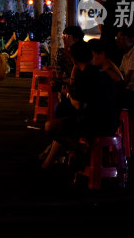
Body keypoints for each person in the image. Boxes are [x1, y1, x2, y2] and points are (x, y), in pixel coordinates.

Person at [41, 40, 119, 170]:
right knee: (64, 120)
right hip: (112, 123)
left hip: (97, 125)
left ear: (73, 58)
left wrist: (68, 94)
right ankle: (49, 164)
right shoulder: (101, 72)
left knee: (50, 126)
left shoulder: (86, 75)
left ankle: (80, 149)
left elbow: (79, 106)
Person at [99, 0, 129, 66]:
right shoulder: (123, 5)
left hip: (105, 43)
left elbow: (100, 24)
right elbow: (125, 24)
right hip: (116, 46)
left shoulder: (106, 4)